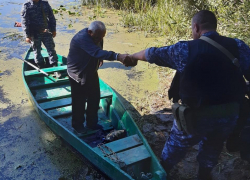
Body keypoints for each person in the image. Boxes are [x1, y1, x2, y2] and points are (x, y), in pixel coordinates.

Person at [123, 10, 250, 179]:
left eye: (192, 28)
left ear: (196, 27)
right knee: (214, 145)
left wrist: (132, 56)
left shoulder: (185, 49)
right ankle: (204, 174)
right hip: (229, 115)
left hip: (195, 117)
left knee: (176, 145)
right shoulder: (238, 46)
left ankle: (163, 172)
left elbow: (152, 54)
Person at [67, 21, 128, 134]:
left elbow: (99, 48)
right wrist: (117, 56)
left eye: (102, 37)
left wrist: (100, 58)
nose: (99, 40)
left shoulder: (97, 35)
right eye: (97, 38)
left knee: (94, 99)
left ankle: (91, 123)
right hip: (78, 74)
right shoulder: (82, 38)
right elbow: (95, 51)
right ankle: (78, 126)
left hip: (91, 71)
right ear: (90, 32)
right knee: (79, 102)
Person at [21, 0, 59, 77]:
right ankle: (41, 66)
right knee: (37, 51)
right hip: (34, 33)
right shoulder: (26, 6)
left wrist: (54, 29)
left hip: (46, 32)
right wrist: (27, 36)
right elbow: (24, 22)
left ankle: (55, 68)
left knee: (51, 49)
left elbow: (51, 17)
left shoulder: (45, 4)